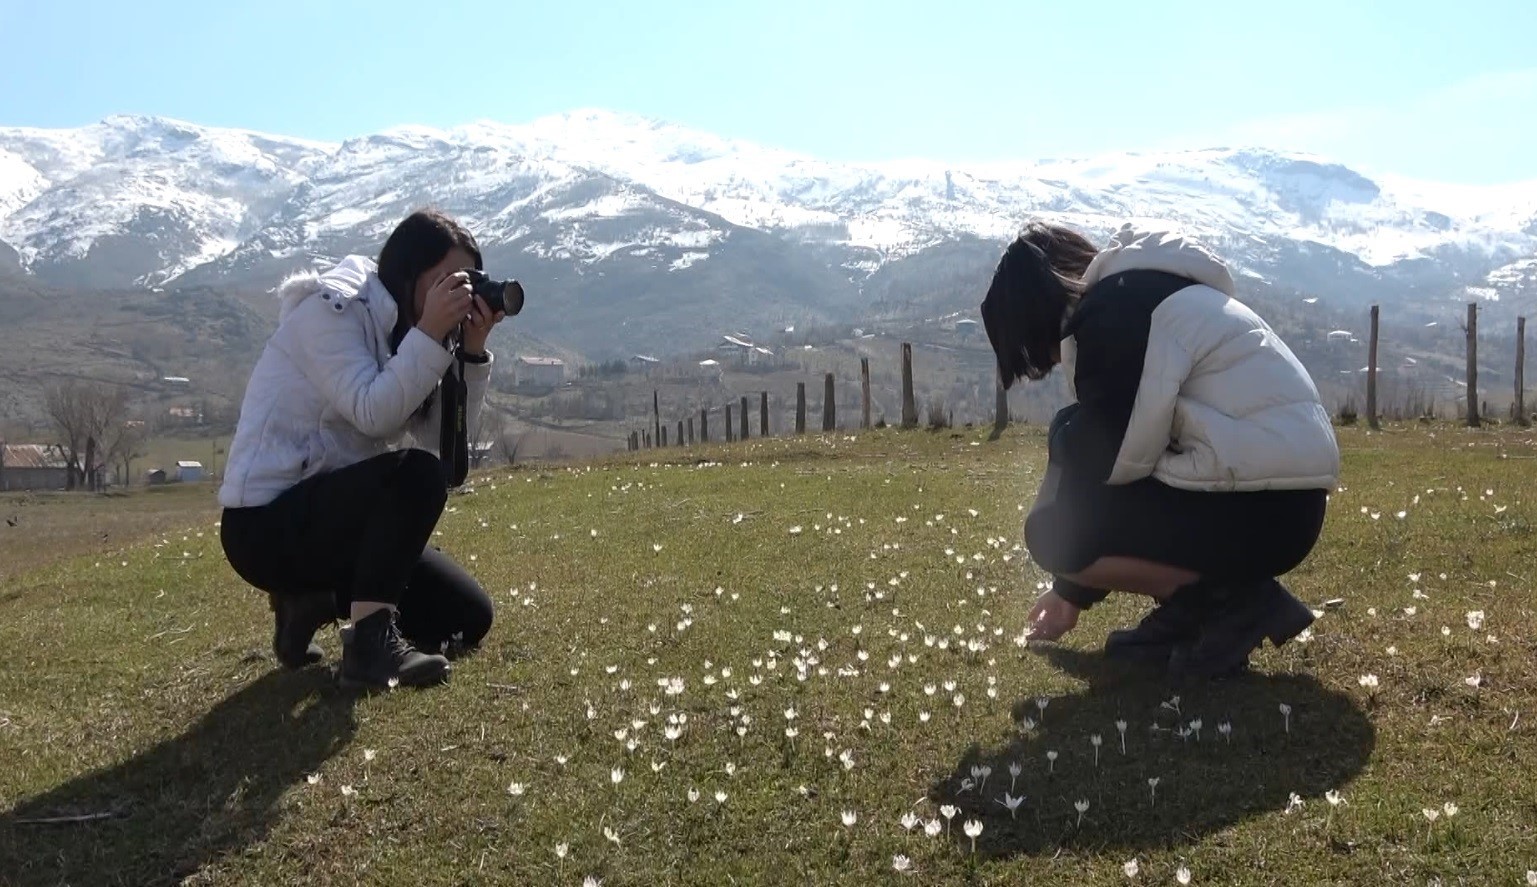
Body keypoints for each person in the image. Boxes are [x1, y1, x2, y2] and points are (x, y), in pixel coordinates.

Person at [982, 221, 1340, 680]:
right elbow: (1130, 449)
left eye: (1038, 351)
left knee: (1050, 527)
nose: (1050, 361)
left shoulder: (1116, 314)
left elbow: (1112, 458)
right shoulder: (1145, 291)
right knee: (1066, 494)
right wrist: (1068, 592)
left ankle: (1221, 605)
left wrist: (1059, 438)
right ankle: (1201, 608)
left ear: (1037, 312)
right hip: (1284, 502)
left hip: (1266, 508)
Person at [217, 209, 505, 690]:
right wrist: (431, 334)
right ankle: (369, 649)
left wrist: (470, 355)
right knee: (412, 476)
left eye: (464, 284)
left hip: (338, 522)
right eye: (444, 282)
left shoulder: (405, 334)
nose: (454, 296)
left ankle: (314, 601)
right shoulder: (331, 310)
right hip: (264, 526)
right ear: (408, 273)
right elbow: (372, 412)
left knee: (466, 616)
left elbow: (441, 453)